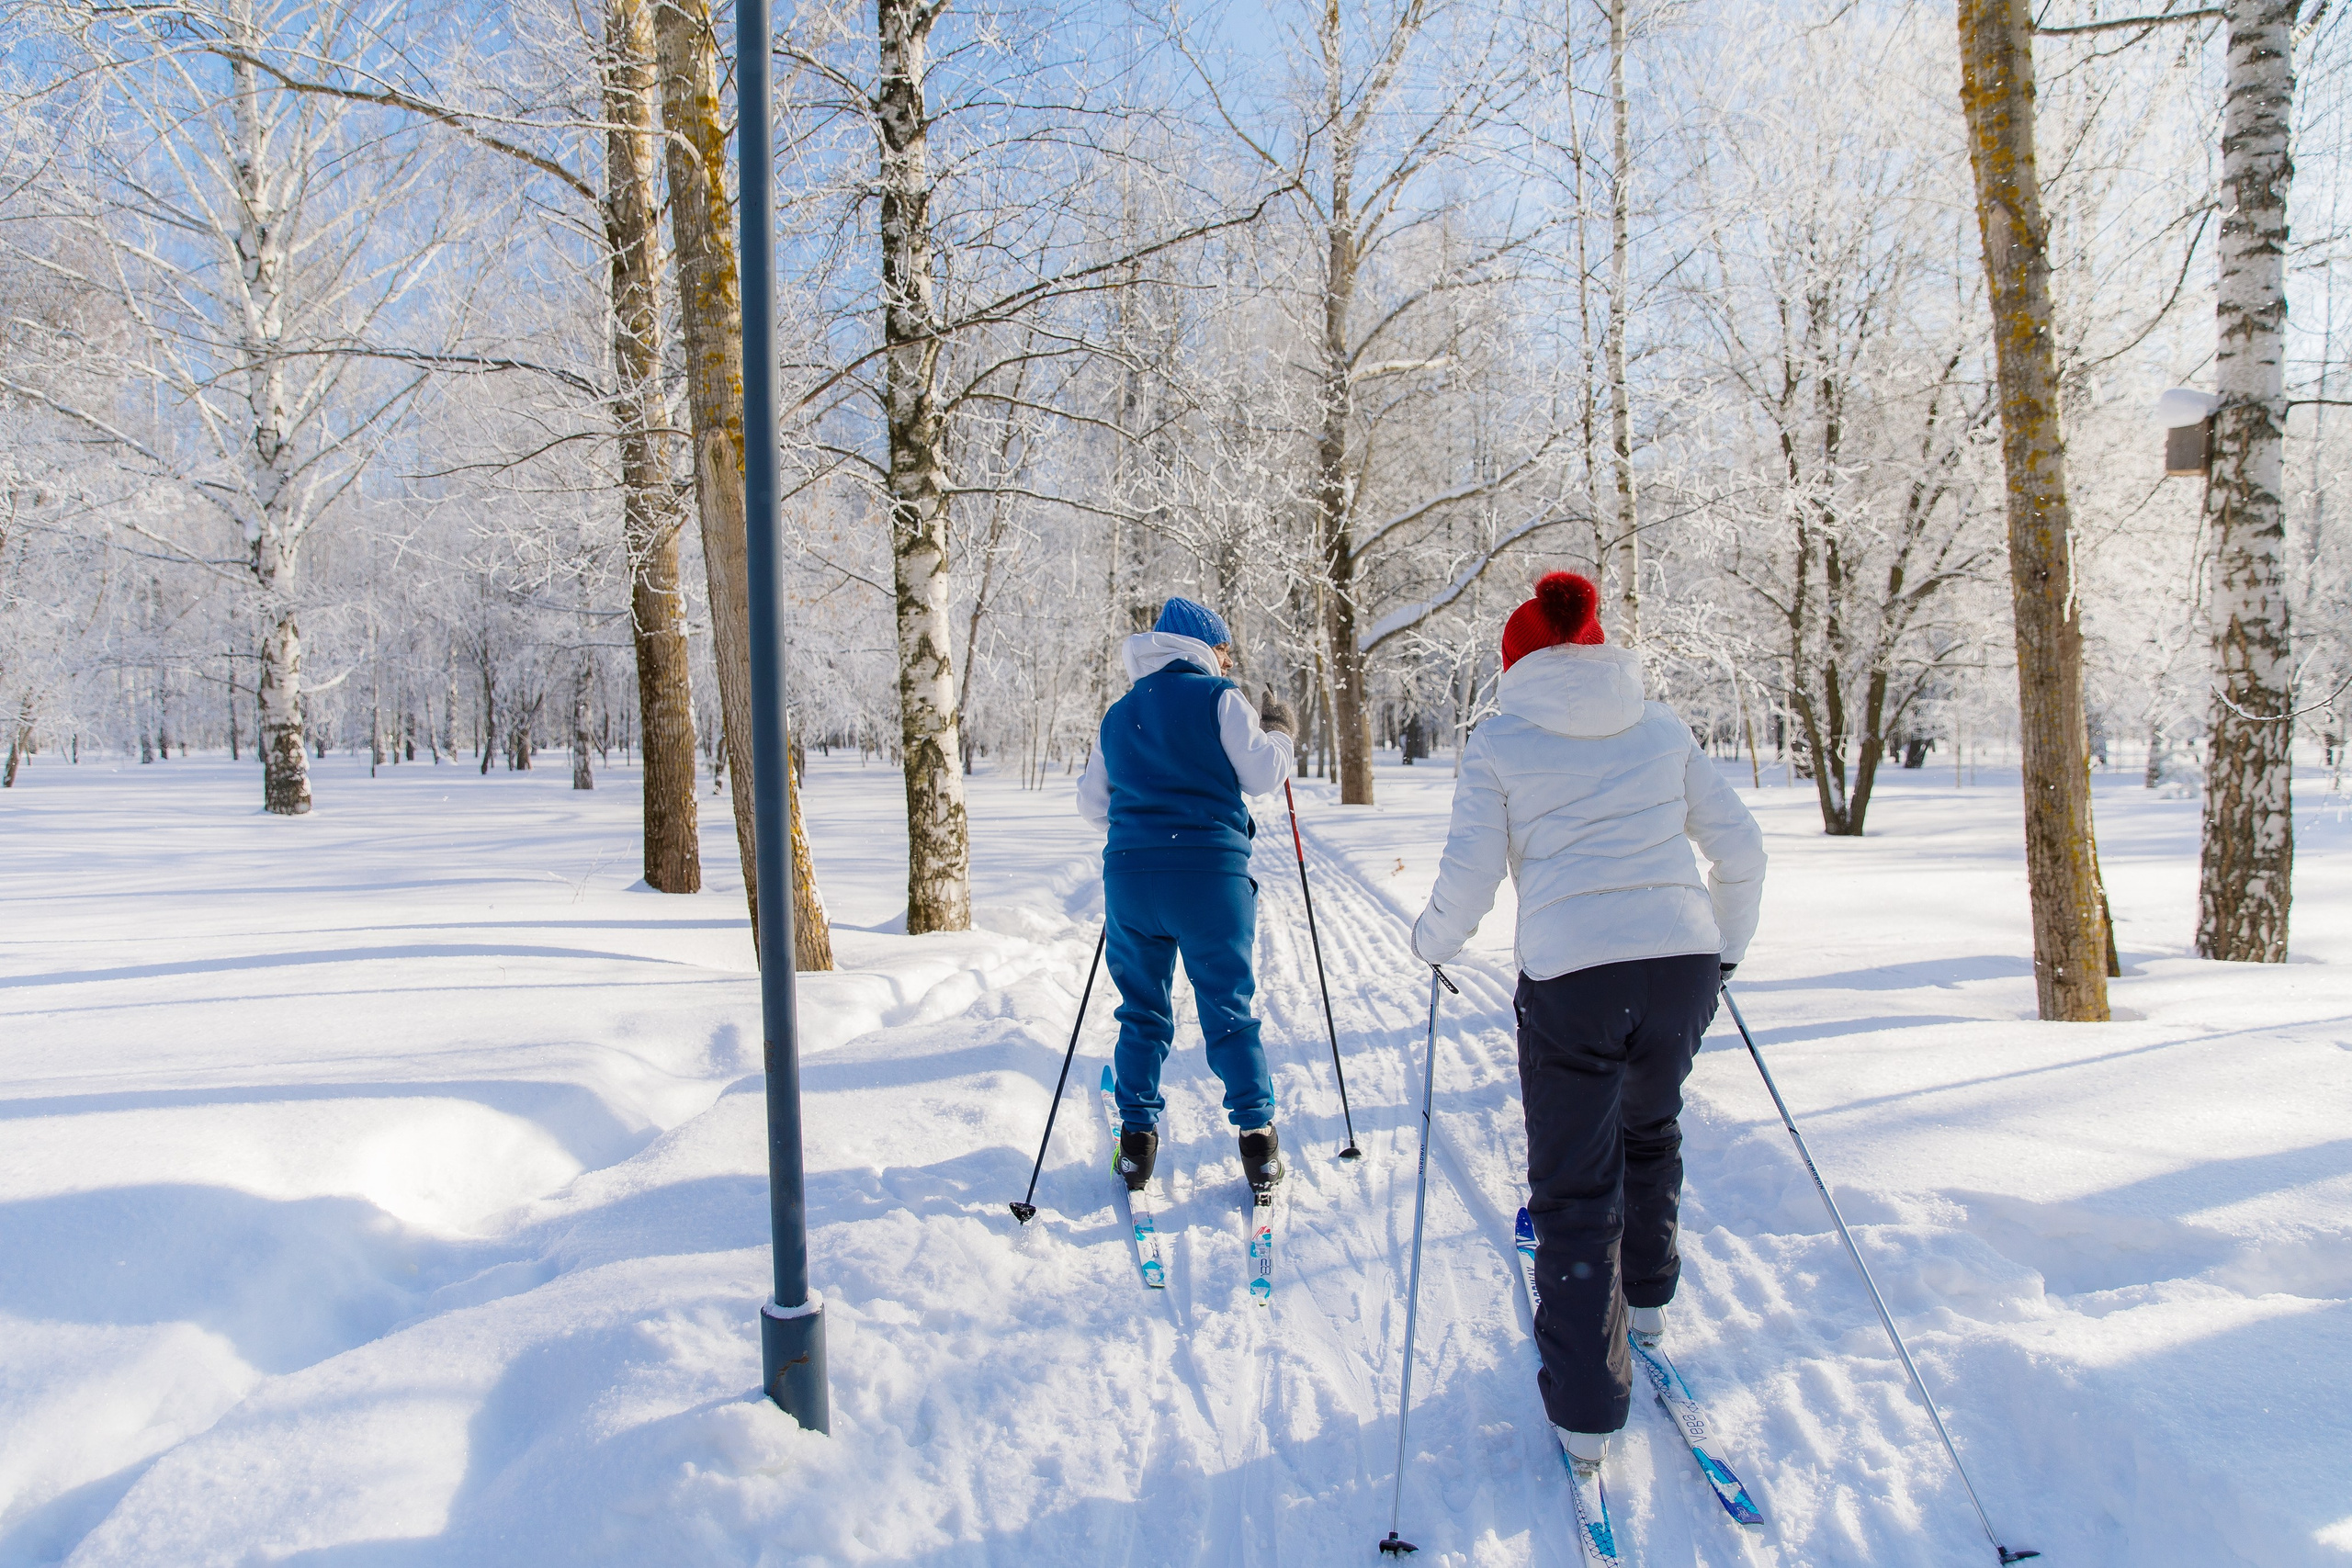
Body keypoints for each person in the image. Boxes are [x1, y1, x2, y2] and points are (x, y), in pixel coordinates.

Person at [1409, 570, 1765, 1480]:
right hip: (1679, 966)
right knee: (1650, 1134)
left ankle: (1587, 1416)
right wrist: (1720, 950)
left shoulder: (1500, 741)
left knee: (1573, 1191)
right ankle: (1646, 1307)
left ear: (1516, 662)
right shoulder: (1659, 725)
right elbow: (1741, 848)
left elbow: (1472, 870)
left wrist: (1434, 940)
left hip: (1572, 980)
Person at [1076, 597, 1299, 1194]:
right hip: (1208, 877)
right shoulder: (1218, 699)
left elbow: (1092, 805)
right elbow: (1261, 775)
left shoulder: (1118, 714)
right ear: (1204, 649)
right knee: (1227, 1009)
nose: (1226, 664)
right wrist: (1278, 732)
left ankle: (1137, 1143)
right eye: (1224, 652)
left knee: (1142, 1010)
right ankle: (1258, 1142)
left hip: (1131, 878)